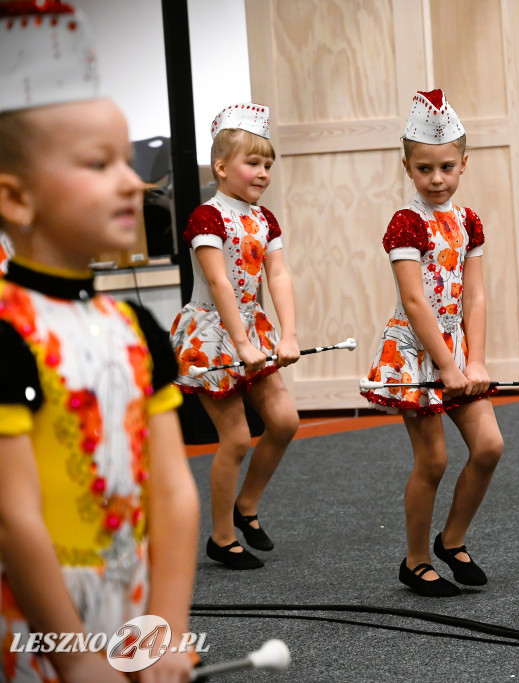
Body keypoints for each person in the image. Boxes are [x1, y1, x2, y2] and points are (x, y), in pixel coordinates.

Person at [0, 3, 198, 681]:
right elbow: (12, 514)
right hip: (36, 621)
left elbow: (174, 492)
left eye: (127, 157)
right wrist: (77, 657)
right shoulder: (6, 333)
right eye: (98, 162)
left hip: (130, 598)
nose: (132, 179)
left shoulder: (140, 329)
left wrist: (166, 631)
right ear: (15, 198)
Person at [361, 90, 504, 598]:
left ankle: (453, 539)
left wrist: (477, 359)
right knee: (434, 460)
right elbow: (416, 302)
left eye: (446, 167)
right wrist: (445, 364)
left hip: (457, 352)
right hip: (416, 352)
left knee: (489, 447)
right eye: (424, 169)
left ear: (464, 164)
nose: (437, 179)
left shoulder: (469, 222)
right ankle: (416, 560)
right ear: (407, 168)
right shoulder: (407, 222)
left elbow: (476, 296)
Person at [170, 103, 300, 570]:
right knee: (237, 438)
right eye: (252, 163)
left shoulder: (265, 219)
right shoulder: (207, 217)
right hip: (210, 333)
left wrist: (287, 334)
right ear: (221, 167)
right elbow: (221, 281)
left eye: (268, 164)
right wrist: (242, 345)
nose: (263, 172)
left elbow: (279, 277)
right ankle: (221, 536)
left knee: (284, 421)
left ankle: (247, 507)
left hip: (252, 325)